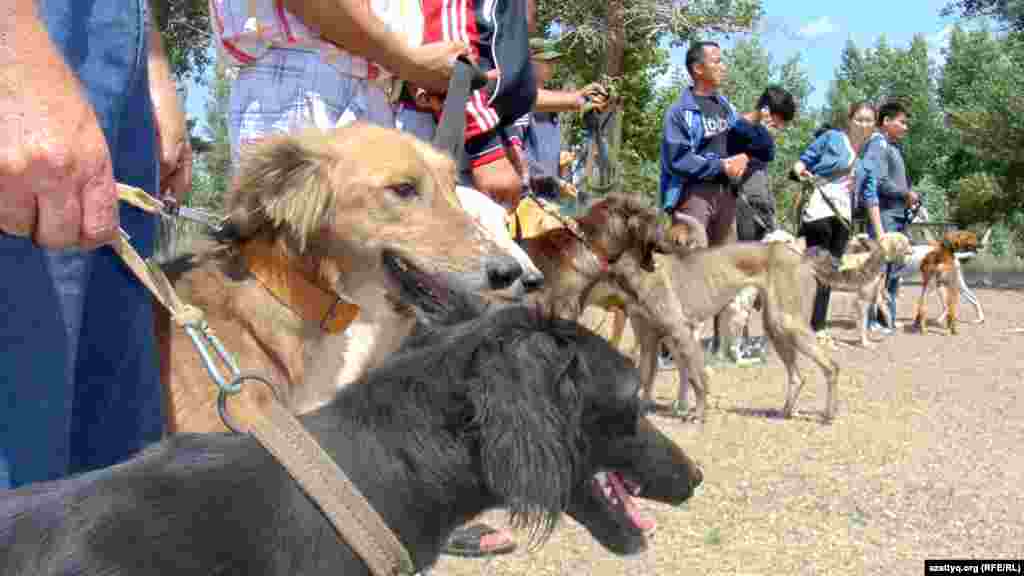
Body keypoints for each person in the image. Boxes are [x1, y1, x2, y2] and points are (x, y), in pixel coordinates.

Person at [0, 0, 191, 487]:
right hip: (32, 28)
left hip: (109, 36)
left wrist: (150, 62)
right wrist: (11, 51)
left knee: (108, 462)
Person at [214, 0, 474, 168]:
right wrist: (410, 64)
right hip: (312, 76)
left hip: (360, 76)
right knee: (303, 245)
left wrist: (410, 76)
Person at [791, 101, 878, 350]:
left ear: (874, 125)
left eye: (868, 120)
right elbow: (804, 160)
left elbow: (869, 193)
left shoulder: (868, 155)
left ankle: (818, 328)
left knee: (829, 275)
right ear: (849, 119)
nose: (863, 124)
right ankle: (805, 327)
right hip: (819, 207)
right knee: (815, 269)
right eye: (859, 119)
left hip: (843, 215)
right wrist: (800, 171)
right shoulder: (832, 138)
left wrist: (879, 232)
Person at [659, 40, 750, 244]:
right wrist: (721, 165)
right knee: (691, 263)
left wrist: (743, 157)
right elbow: (678, 160)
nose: (723, 67)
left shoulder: (728, 108)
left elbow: (739, 145)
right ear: (698, 68)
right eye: (716, 62)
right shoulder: (679, 112)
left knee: (725, 266)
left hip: (727, 194)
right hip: (694, 195)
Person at [862, 100, 916, 333]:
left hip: (897, 214)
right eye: (902, 122)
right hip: (885, 215)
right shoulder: (878, 144)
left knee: (893, 269)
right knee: (879, 269)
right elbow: (879, 183)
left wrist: (911, 196)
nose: (906, 127)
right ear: (886, 121)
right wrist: (905, 193)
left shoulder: (893, 147)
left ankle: (886, 319)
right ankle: (871, 320)